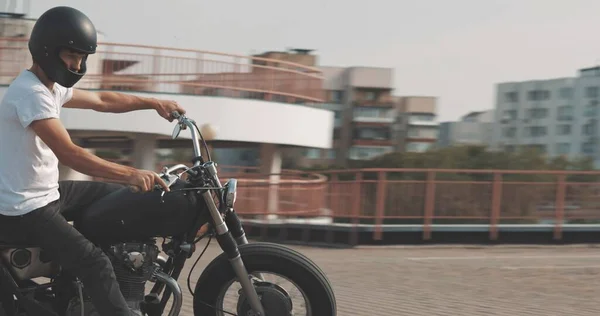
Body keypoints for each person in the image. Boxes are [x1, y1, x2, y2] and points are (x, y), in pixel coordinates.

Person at [0, 6, 186, 316]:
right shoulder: (30, 94)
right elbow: (71, 154)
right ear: (47, 49)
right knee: (95, 264)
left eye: (83, 58)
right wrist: (128, 173)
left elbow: (103, 100)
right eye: (72, 55)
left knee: (119, 199)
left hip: (46, 193)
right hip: (24, 208)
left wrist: (154, 102)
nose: (78, 64)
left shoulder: (49, 87)